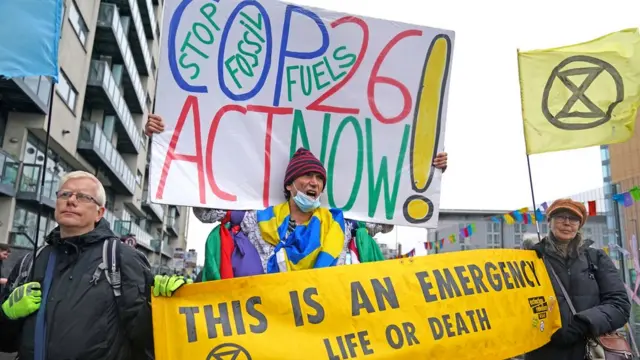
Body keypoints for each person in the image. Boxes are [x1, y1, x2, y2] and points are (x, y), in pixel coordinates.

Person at [146, 114, 448, 295]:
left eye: (319, 178)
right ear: (289, 184)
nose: (314, 183)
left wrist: (428, 171)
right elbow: (204, 209)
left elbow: (386, 217)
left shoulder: (340, 225)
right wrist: (162, 138)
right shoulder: (255, 220)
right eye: (306, 175)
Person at [0, 171, 154, 359]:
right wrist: (7, 315)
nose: (71, 201)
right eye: (65, 194)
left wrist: (157, 305)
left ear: (100, 212)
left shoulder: (121, 259)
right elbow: (5, 343)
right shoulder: (30, 261)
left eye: (83, 197)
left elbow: (146, 340)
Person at [523, 199, 630, 360]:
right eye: (560, 217)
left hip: (590, 350)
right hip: (543, 352)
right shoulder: (531, 260)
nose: (567, 223)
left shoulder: (596, 258)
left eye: (573, 218)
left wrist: (583, 323)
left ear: (579, 225)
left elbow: (619, 305)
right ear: (549, 221)